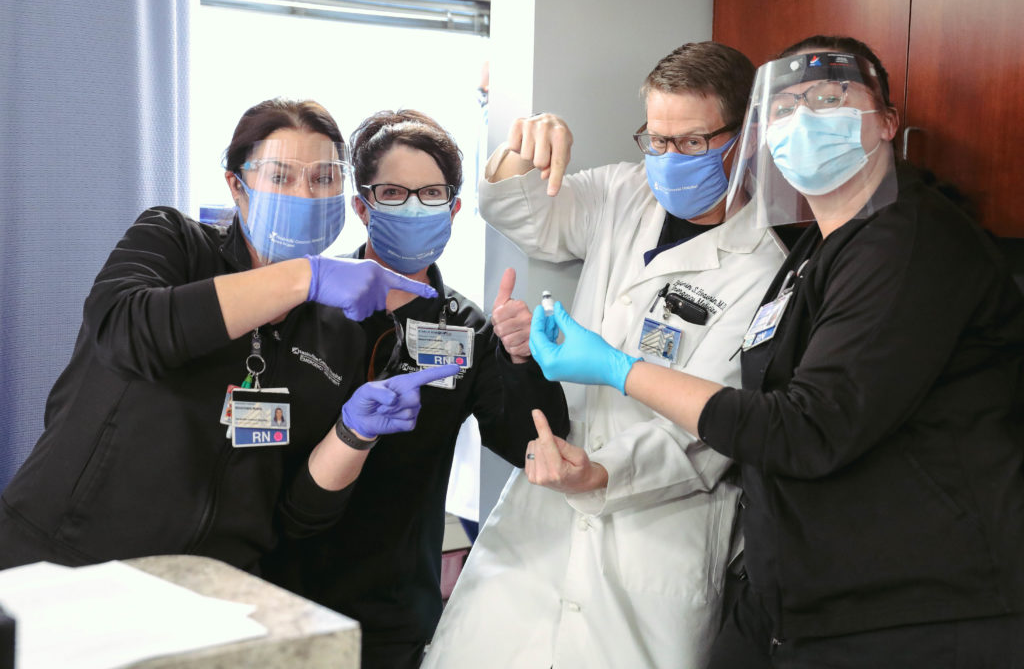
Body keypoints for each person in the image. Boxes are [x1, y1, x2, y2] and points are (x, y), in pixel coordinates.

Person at [528, 37, 1024, 667]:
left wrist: (620, 370)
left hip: (915, 608)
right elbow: (763, 406)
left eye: (831, 97)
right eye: (785, 108)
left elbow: (806, 428)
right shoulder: (815, 251)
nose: (806, 120)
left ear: (888, 124)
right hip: (801, 595)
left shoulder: (908, 241)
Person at [424, 42, 787, 668]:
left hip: (655, 539)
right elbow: (517, 209)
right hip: (540, 531)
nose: (670, 160)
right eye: (657, 139)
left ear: (744, 137)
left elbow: (710, 428)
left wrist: (597, 473)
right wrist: (527, 143)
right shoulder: (624, 192)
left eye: (693, 143)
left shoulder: (766, 267)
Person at [0, 98, 457, 573]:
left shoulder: (339, 334)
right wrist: (305, 278)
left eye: (323, 179)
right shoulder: (175, 243)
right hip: (62, 560)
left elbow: (297, 515)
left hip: (210, 593)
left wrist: (353, 434)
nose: (305, 194)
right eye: (280, 176)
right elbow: (123, 333)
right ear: (237, 188)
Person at [262, 110, 569, 669]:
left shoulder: (467, 328)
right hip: (286, 589)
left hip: (394, 607)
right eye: (392, 192)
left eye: (430, 193)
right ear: (361, 205)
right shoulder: (306, 300)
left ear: (453, 209)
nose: (412, 206)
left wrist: (522, 358)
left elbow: (529, 444)